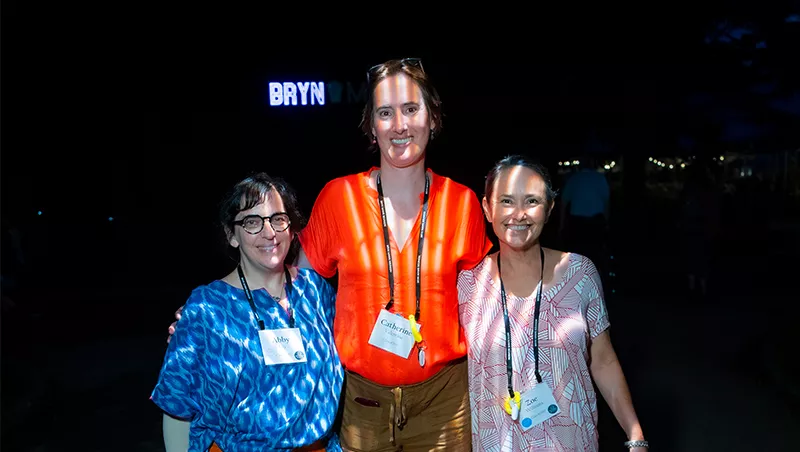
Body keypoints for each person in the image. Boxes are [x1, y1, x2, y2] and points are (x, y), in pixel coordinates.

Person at [168, 59, 492, 451]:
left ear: (433, 117)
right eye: (385, 113)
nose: (400, 125)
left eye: (411, 109)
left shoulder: (463, 204)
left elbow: (489, 302)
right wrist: (212, 316)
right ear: (371, 126)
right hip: (363, 403)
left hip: (445, 402)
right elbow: (292, 289)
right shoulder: (339, 199)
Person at [458, 155, 647, 451]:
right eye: (506, 201)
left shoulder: (579, 274)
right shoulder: (468, 284)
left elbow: (603, 360)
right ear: (487, 208)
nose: (518, 214)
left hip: (570, 442)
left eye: (531, 201)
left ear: (549, 210)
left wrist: (635, 435)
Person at [152, 173, 344, 452]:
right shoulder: (208, 308)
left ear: (291, 228)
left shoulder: (315, 292)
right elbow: (176, 406)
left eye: (278, 219)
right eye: (252, 222)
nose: (270, 233)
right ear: (232, 235)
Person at [558, 154, 611, 270]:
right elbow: (606, 202)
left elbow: (564, 202)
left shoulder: (574, 179)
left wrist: (562, 225)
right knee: (595, 258)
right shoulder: (600, 178)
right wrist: (606, 222)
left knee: (578, 257)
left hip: (578, 224)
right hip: (595, 223)